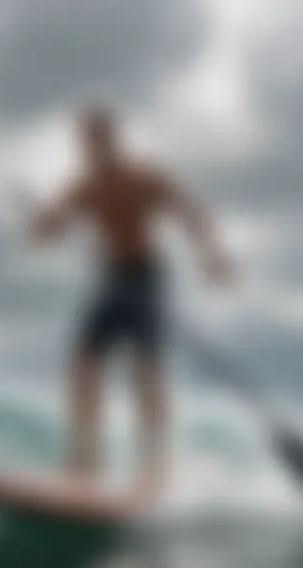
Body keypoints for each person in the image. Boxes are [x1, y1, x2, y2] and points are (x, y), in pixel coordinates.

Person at [28, 106, 233, 507]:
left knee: (144, 366)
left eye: (96, 140)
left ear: (113, 140)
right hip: (110, 280)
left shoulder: (144, 177)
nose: (89, 150)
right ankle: (84, 462)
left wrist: (211, 255)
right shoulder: (83, 186)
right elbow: (49, 230)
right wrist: (43, 226)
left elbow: (191, 211)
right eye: (84, 143)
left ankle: (155, 463)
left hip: (146, 277)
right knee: (83, 362)